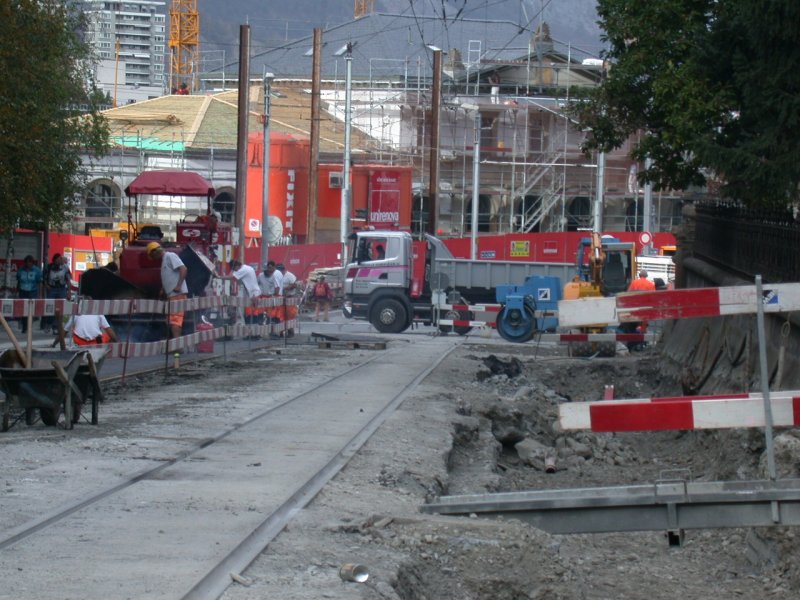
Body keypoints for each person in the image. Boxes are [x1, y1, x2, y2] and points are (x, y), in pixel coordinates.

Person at [146, 242, 188, 341]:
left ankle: (177, 346)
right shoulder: (164, 260)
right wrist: (163, 289)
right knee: (171, 320)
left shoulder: (170, 256)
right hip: (172, 295)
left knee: (175, 321)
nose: (154, 259)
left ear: (155, 252)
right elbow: (169, 277)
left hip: (177, 294)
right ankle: (175, 344)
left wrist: (178, 286)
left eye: (152, 256)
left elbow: (183, 269)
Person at [226, 260, 262, 338]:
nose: (235, 271)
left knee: (250, 315)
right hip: (253, 293)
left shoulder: (243, 270)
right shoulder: (247, 268)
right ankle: (253, 334)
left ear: (236, 266)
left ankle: (253, 335)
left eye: (235, 269)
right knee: (252, 315)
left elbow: (231, 277)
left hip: (253, 294)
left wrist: (219, 277)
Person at [42, 253, 72, 332]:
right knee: (50, 307)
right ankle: (48, 324)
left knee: (60, 308)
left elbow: (68, 280)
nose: (61, 260)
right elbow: (44, 278)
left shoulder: (65, 268)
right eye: (59, 258)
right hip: (52, 289)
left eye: (61, 258)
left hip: (62, 289)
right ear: (55, 260)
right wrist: (46, 285)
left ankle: (56, 326)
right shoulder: (49, 267)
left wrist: (69, 291)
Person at [16, 255, 42, 333]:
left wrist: (40, 294)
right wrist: (17, 291)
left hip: (32, 292)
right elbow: (18, 281)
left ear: (32, 263)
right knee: (23, 309)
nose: (28, 264)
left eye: (29, 263)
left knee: (30, 310)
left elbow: (39, 283)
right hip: (22, 291)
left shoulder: (37, 271)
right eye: (26, 263)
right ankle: (24, 327)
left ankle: (29, 326)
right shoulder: (21, 270)